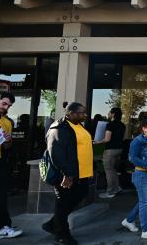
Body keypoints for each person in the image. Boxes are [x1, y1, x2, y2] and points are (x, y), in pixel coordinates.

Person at [42, 102, 93, 245]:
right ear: (70, 113)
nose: (84, 115)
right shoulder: (59, 128)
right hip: (67, 175)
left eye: (85, 112)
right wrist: (67, 173)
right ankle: (62, 235)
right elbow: (56, 153)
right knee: (63, 204)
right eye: (81, 113)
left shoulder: (77, 126)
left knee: (79, 195)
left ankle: (52, 224)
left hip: (81, 174)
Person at [121, 118, 147, 240]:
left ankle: (129, 220)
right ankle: (145, 230)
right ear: (144, 128)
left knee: (145, 200)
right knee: (145, 202)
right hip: (142, 174)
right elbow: (132, 158)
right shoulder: (138, 141)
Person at [0, 92, 22, 239]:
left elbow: (7, 146)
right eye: (4, 104)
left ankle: (3, 226)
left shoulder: (7, 122)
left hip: (0, 161)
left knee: (1, 195)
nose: (6, 107)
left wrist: (8, 140)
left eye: (9, 106)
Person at [95, 108, 125, 199]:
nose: (108, 113)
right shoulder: (122, 125)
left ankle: (110, 191)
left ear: (113, 114)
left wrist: (97, 142)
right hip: (119, 149)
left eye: (109, 112)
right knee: (113, 169)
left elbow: (107, 139)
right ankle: (117, 187)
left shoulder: (110, 124)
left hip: (110, 150)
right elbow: (123, 138)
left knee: (108, 170)